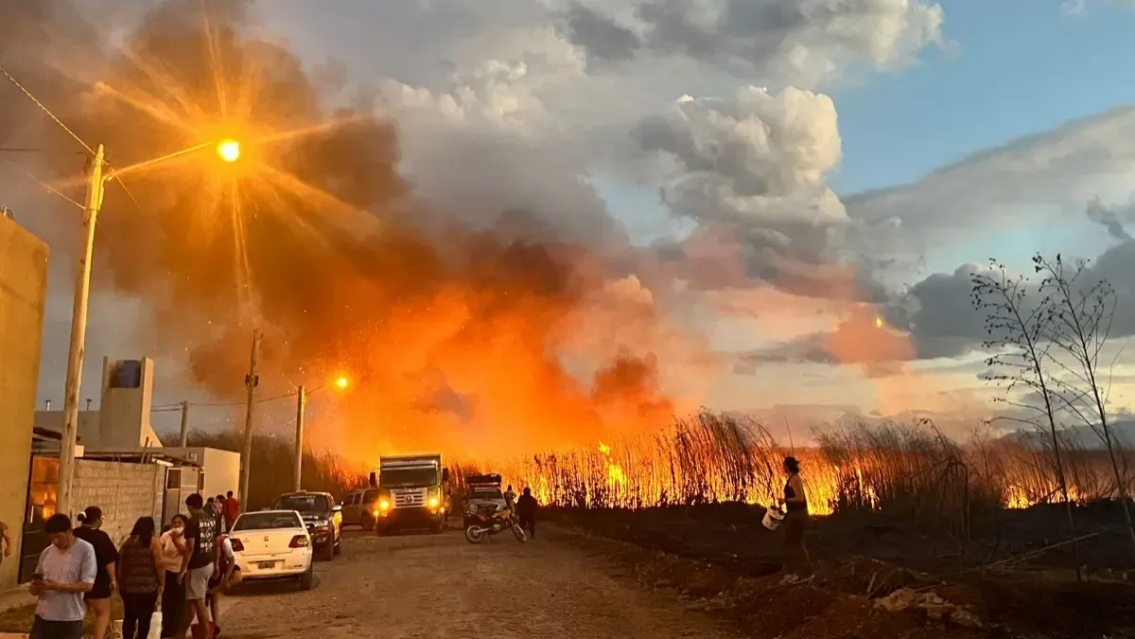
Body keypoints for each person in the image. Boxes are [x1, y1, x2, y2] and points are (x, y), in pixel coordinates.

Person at [28, 513, 96, 639]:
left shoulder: (85, 550)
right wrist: (37, 587)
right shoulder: (47, 552)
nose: (55, 541)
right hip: (43, 617)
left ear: (69, 531)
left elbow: (87, 585)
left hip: (69, 619)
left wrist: (56, 586)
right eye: (52, 537)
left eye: (59, 537)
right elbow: (33, 589)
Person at [73, 506, 118, 639]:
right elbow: (109, 560)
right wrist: (113, 580)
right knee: (103, 613)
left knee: (78, 613)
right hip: (98, 581)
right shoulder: (101, 536)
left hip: (76, 580)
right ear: (98, 520)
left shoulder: (74, 533)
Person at [178, 494, 218, 639]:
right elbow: (216, 542)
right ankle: (181, 633)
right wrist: (216, 564)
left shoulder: (192, 521)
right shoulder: (210, 519)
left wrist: (182, 570)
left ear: (190, 506)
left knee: (199, 602)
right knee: (192, 601)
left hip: (196, 566)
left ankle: (206, 634)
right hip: (209, 562)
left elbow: (190, 548)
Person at [117, 517, 164, 639]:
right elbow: (159, 565)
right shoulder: (154, 542)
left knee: (129, 617)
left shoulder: (127, 542)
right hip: (148, 588)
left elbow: (120, 564)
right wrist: (162, 583)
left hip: (129, 588)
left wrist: (121, 583)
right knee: (145, 618)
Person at [778, 456, 813, 584]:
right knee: (790, 542)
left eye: (784, 465)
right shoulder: (792, 479)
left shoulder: (795, 480)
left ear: (787, 466)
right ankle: (794, 572)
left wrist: (785, 500)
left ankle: (805, 574)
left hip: (798, 515)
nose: (783, 467)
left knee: (796, 543)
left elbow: (800, 498)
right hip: (793, 514)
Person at [159, 515, 190, 638]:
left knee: (178, 602)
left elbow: (186, 552)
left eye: (179, 522)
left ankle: (177, 629)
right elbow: (159, 549)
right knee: (167, 602)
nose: (176, 525)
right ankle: (167, 628)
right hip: (167, 571)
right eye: (174, 522)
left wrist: (176, 540)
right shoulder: (166, 535)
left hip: (180, 571)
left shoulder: (187, 537)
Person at [206, 534, 240, 638]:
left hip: (225, 565)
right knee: (213, 598)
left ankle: (212, 592)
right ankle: (213, 625)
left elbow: (232, 561)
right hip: (211, 567)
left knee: (237, 577)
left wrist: (226, 580)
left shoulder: (225, 542)